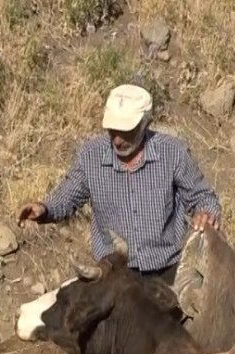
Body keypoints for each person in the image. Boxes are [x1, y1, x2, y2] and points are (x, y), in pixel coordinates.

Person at [17, 83, 223, 289]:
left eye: (126, 132)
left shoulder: (172, 153)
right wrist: (44, 209)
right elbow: (68, 194)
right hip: (114, 273)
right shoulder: (91, 155)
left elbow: (203, 197)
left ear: (145, 123)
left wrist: (205, 213)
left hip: (167, 270)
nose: (117, 140)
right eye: (112, 131)